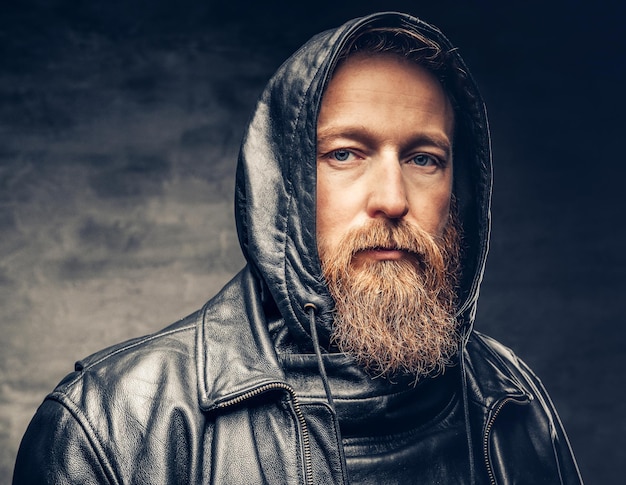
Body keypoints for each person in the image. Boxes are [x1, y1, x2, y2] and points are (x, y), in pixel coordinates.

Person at [13, 11, 583, 484]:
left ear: (459, 192)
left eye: (423, 159)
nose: (392, 199)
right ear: (284, 185)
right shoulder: (110, 425)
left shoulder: (514, 402)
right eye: (345, 153)